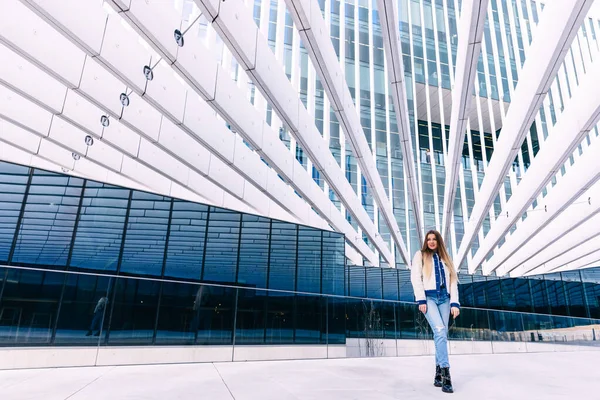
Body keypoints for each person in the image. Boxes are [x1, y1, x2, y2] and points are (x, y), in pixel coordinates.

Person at [411, 230, 460, 393]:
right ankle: (446, 374)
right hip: (429, 298)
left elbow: (453, 281)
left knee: (441, 335)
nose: (431, 241)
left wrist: (455, 303)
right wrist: (421, 299)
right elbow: (415, 277)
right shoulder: (420, 255)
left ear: (439, 241)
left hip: (445, 299)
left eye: (434, 239)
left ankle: (438, 374)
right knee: (439, 331)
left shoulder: (446, 258)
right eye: (428, 239)